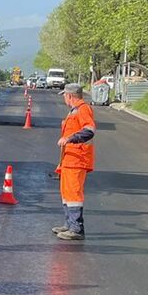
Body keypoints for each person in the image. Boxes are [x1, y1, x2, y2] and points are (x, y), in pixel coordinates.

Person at [53, 83, 96, 241]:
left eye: (65, 95)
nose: (64, 98)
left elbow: (89, 130)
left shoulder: (83, 109)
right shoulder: (74, 111)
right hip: (69, 159)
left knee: (74, 194)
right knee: (67, 193)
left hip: (77, 159)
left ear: (69, 96)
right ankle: (69, 224)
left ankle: (76, 228)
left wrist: (69, 138)